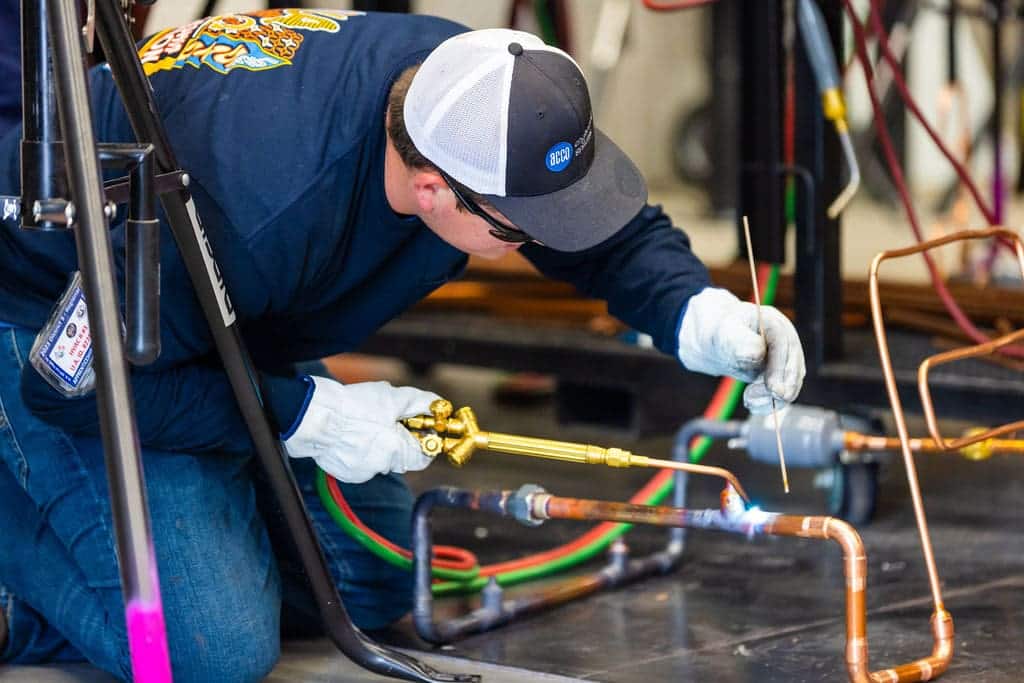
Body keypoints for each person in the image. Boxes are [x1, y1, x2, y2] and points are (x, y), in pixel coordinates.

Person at [0, 9, 805, 682]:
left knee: (372, 572)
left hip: (214, 316)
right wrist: (307, 416)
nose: (544, 241)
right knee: (211, 651)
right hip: (57, 323)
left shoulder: (474, 89)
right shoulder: (255, 205)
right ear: (432, 191)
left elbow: (597, 233)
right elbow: (72, 382)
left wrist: (699, 312)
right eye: (522, 229)